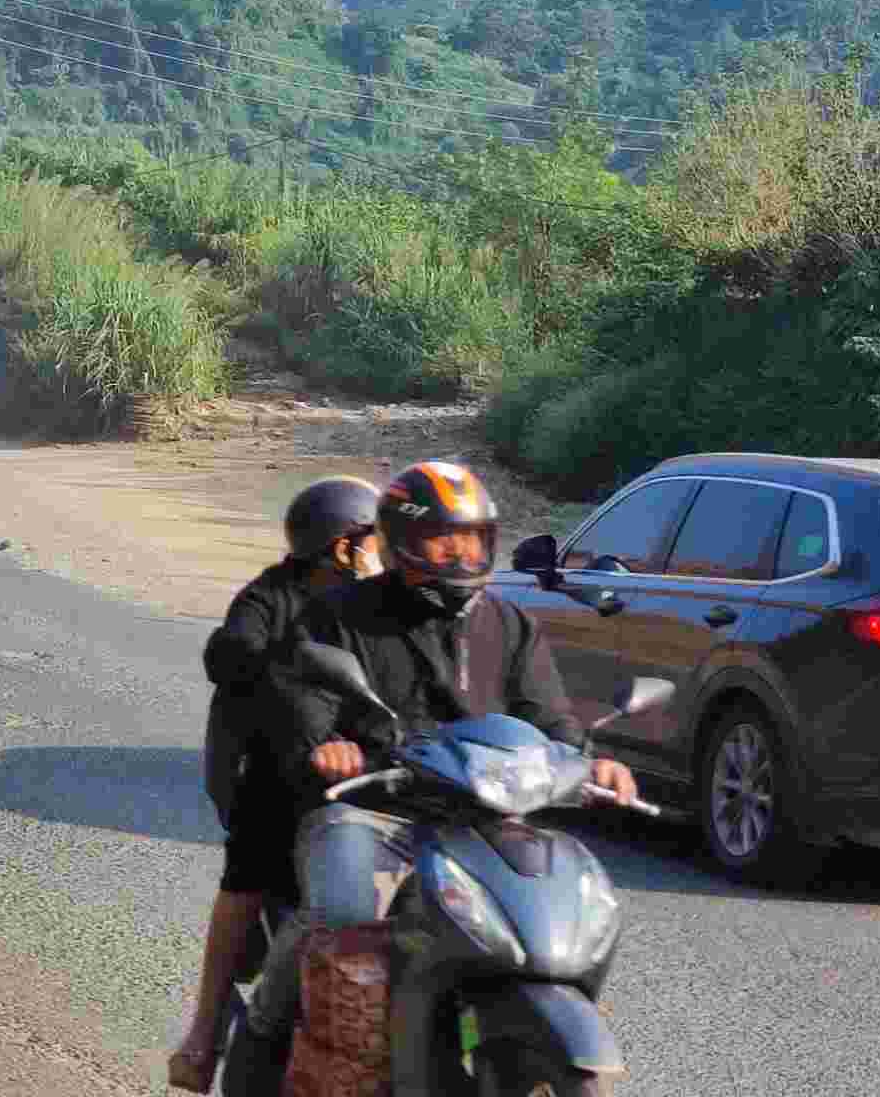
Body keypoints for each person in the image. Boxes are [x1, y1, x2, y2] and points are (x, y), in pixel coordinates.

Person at [217, 459, 641, 1097]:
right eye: (447, 537)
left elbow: (550, 717)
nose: (464, 552)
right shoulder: (339, 617)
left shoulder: (509, 623)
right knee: (347, 909)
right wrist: (329, 748)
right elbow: (305, 707)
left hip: (485, 816)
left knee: (569, 902)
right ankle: (276, 1042)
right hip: (376, 810)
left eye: (474, 538)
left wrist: (588, 756)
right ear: (403, 541)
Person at [168, 478, 387, 1095]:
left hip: (364, 768)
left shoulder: (384, 605)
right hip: (268, 766)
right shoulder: (271, 594)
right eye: (375, 539)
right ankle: (204, 1033)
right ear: (343, 547)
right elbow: (229, 652)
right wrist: (275, 665)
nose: (387, 549)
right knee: (251, 870)